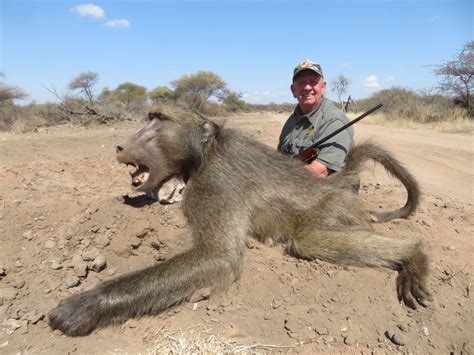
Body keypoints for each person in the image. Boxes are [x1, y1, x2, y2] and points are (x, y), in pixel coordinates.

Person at [278, 59, 354, 177]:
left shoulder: (334, 120)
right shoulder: (291, 121)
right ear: (293, 90)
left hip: (327, 192)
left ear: (323, 87)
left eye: (313, 82)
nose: (307, 87)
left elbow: (319, 172)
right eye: (301, 82)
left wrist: (276, 176)